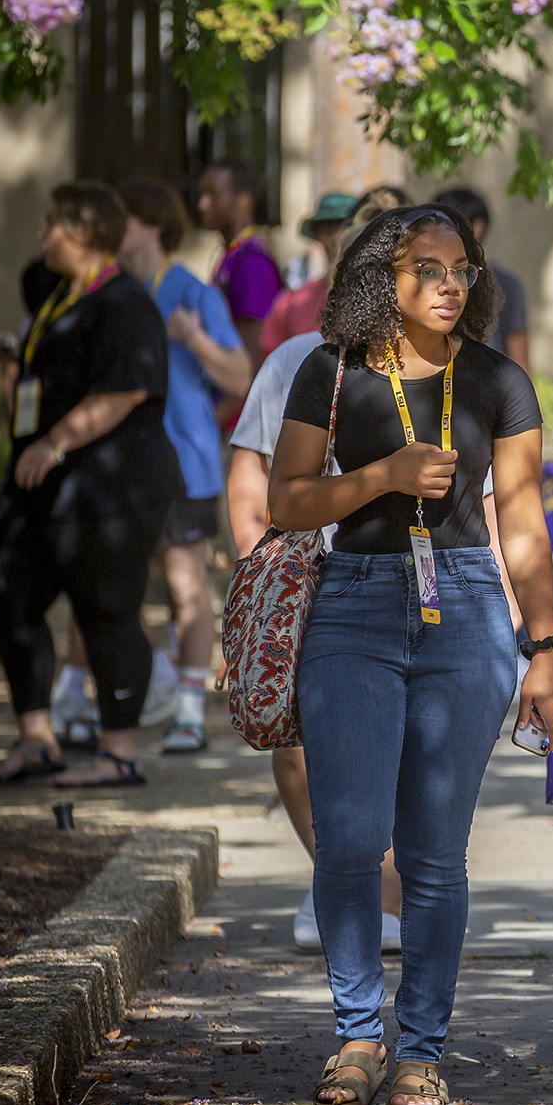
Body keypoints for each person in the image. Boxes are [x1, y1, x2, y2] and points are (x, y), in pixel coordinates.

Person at [270, 205, 553, 1105]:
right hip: (351, 604)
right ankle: (359, 1035)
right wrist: (383, 477)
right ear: (378, 279)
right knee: (351, 841)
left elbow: (523, 524)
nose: (448, 284)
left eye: (461, 269)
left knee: (435, 854)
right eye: (426, 268)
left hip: (466, 611)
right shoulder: (331, 372)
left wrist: (546, 647)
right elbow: (286, 503)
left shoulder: (499, 381)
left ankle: (420, 1051)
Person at [0, 182, 183, 789]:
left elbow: (126, 390)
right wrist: (9, 366)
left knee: (107, 609)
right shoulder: (52, 296)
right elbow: (34, 391)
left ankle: (118, 752)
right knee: (6, 588)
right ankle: (36, 740)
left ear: (84, 231)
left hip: (112, 490)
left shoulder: (124, 302)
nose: (41, 235)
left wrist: (54, 442)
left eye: (51, 224)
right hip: (42, 487)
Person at [229, 329, 406, 955]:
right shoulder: (298, 359)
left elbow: (487, 495)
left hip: (405, 580)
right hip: (305, 580)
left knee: (393, 746)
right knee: (294, 742)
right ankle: (332, 871)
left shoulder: (447, 357)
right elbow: (251, 470)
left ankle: (380, 893)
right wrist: (255, 577)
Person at [114, 180, 254, 755]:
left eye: (119, 218)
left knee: (184, 587)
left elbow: (240, 376)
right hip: (124, 465)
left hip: (185, 464)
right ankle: (165, 682)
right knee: (111, 588)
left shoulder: (194, 294)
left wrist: (193, 338)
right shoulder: (117, 292)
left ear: (149, 224)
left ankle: (190, 712)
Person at [431, 187, 531, 370]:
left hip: (492, 388)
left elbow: (519, 355)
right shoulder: (425, 281)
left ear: (478, 226)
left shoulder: (506, 284)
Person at [197, 159, 283, 372]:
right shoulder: (233, 254)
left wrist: (220, 408)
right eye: (202, 194)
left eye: (213, 195)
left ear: (243, 201)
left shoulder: (253, 263)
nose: (203, 204)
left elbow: (251, 358)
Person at [261, 192, 359, 355]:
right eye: (328, 228)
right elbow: (273, 368)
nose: (337, 237)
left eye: (346, 226)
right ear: (317, 234)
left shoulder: (383, 300)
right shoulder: (289, 304)